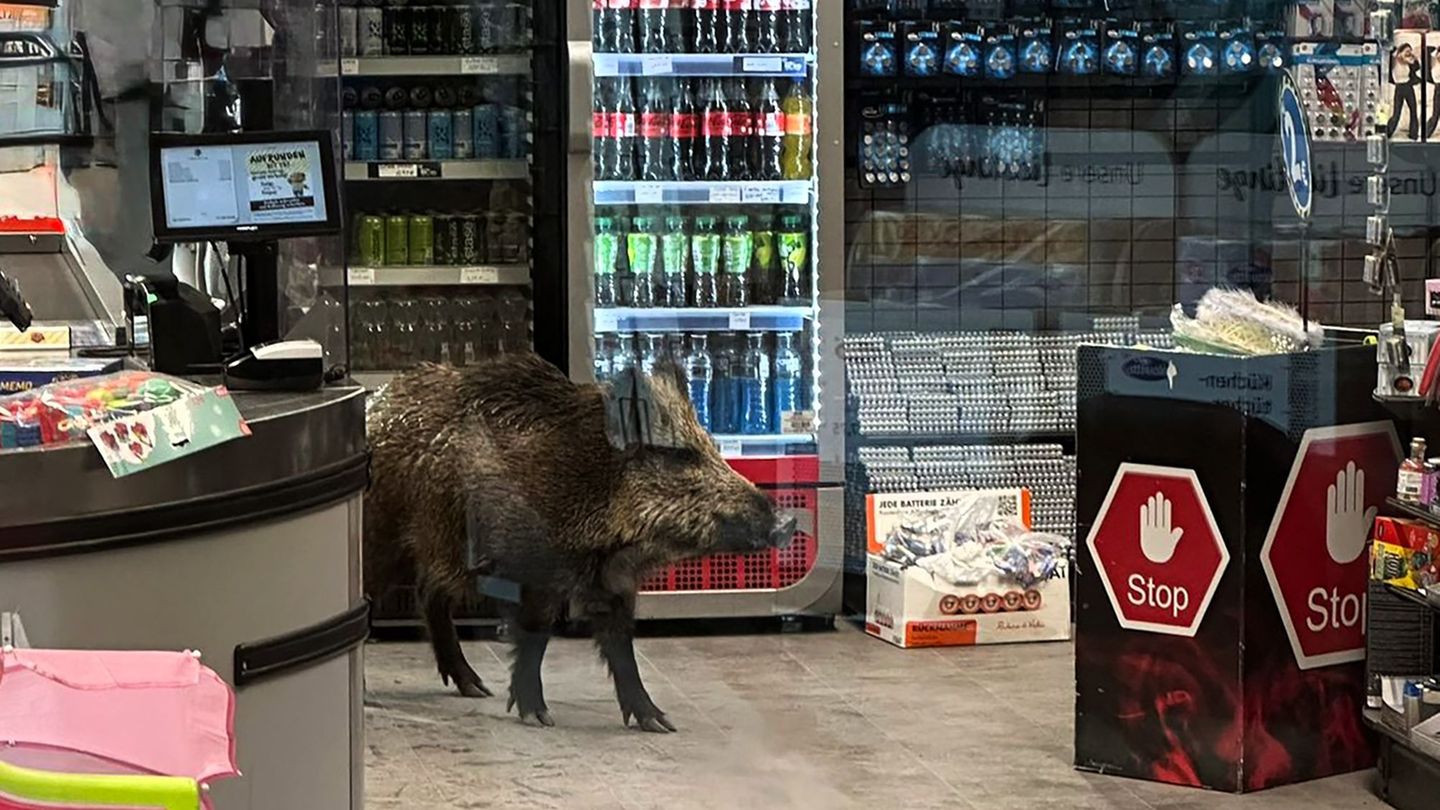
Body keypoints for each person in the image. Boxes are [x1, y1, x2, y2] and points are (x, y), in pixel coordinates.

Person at [1389, 43, 1421, 141]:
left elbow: (1417, 67)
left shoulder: (1409, 62)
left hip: (1408, 86)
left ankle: (1413, 134)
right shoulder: (1394, 61)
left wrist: (1413, 58)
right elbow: (1391, 55)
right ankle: (1388, 132)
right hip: (1399, 87)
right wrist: (1399, 54)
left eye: (1409, 51)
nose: (1408, 53)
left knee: (1413, 110)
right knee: (1397, 112)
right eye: (1407, 51)